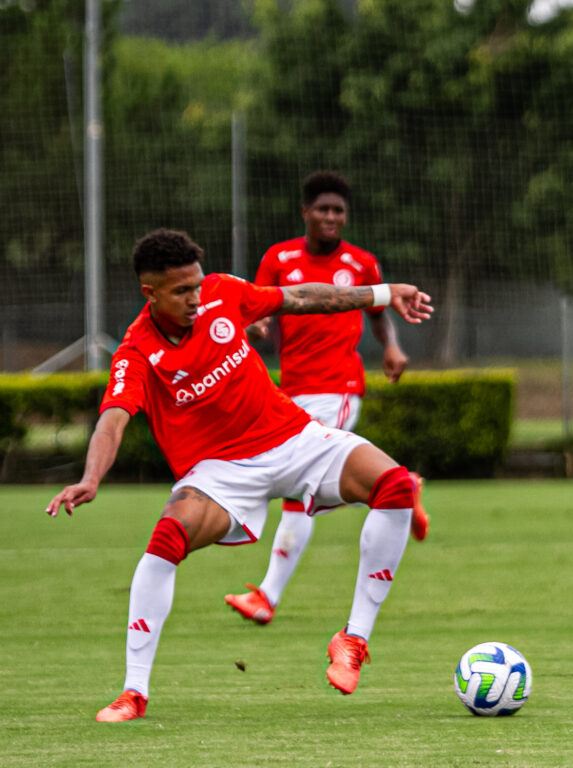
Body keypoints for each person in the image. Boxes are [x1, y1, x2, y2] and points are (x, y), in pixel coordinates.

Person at [46, 228, 434, 722]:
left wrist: (382, 293)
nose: (196, 298)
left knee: (396, 485)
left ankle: (354, 638)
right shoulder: (137, 351)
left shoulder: (223, 294)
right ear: (151, 293)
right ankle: (133, 693)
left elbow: (299, 298)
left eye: (198, 285)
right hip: (220, 473)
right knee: (166, 537)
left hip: (292, 437)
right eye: (181, 291)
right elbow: (113, 417)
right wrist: (91, 477)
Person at [224, 170, 426, 628]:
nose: (332, 217)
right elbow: (260, 309)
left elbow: (378, 313)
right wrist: (252, 329)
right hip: (290, 390)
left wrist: (390, 345)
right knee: (310, 484)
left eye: (339, 210)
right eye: (323, 209)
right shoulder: (278, 258)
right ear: (306, 213)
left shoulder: (362, 264)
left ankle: (266, 597)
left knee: (299, 490)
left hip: (338, 389)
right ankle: (399, 485)